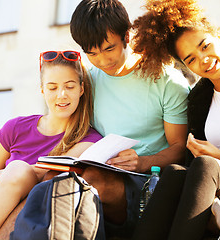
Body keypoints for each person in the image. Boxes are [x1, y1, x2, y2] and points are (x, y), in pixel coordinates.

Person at [131, 0, 220, 239]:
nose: (203, 59)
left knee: (205, 165)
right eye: (190, 59)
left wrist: (217, 155)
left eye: (205, 45)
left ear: (218, 37)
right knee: (174, 173)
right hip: (216, 179)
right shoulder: (198, 101)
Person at [69, 0, 189, 238]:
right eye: (91, 53)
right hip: (99, 170)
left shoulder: (167, 81)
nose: (102, 61)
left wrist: (143, 162)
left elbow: (180, 148)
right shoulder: (89, 81)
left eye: (108, 48)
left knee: (92, 184)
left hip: (147, 182)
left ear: (127, 35)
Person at [0, 50, 102, 240]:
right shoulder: (14, 127)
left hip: (36, 214)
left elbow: (39, 171)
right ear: (43, 90)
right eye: (52, 87)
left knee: (18, 169)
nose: (61, 95)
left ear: (81, 89)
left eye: (69, 86)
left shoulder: (90, 140)